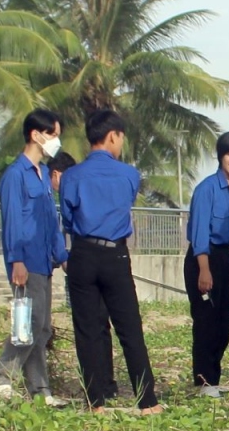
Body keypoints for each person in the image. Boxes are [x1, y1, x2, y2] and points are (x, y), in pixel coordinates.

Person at [59, 110, 161, 414]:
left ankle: (95, 401)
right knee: (129, 327)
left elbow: (67, 217)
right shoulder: (129, 174)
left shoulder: (72, 175)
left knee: (87, 329)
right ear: (113, 136)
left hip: (83, 252)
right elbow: (124, 203)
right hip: (115, 253)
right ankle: (147, 400)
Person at [0, 108, 69, 406]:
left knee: (42, 327)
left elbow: (50, 220)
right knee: (28, 324)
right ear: (36, 135)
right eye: (53, 135)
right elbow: (12, 222)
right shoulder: (14, 176)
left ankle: (40, 391)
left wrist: (62, 255)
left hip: (44, 262)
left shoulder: (44, 175)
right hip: (25, 262)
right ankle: (0, 377)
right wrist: (16, 260)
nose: (56, 141)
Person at [185, 132, 229, 397]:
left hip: (225, 259)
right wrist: (204, 270)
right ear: (221, 155)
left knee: (223, 324)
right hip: (204, 258)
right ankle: (204, 381)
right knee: (206, 323)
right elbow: (200, 233)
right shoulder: (206, 189)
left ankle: (214, 378)